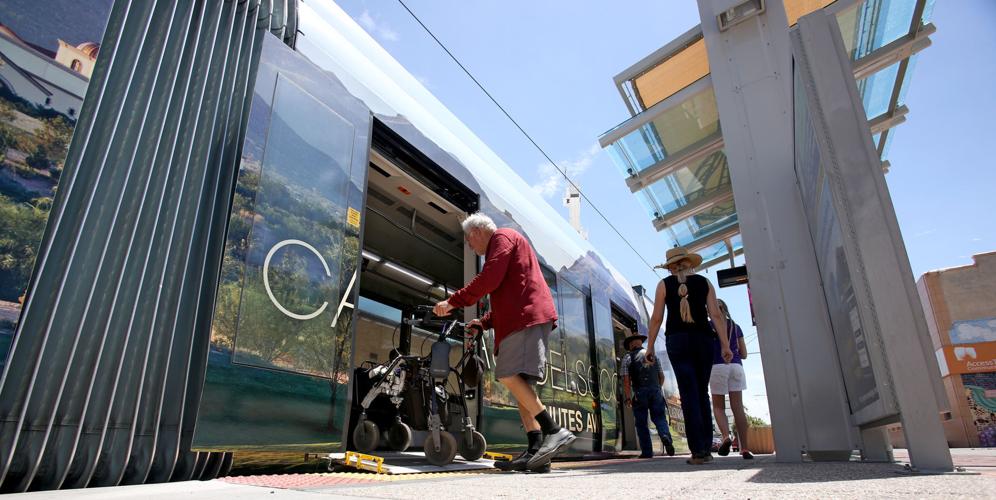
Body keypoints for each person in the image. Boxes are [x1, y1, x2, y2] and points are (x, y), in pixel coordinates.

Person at [434, 213, 575, 472]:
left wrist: (453, 301)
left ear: (476, 232)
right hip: (522, 318)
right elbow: (507, 292)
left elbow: (489, 280)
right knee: (523, 387)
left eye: (468, 240)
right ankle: (535, 453)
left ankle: (554, 430)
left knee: (508, 374)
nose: (469, 246)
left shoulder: (502, 237)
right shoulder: (507, 245)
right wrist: (485, 322)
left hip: (526, 319)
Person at [645, 246, 732, 465]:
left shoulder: (664, 285)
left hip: (677, 341)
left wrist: (651, 346)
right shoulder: (705, 283)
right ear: (689, 263)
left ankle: (698, 452)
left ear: (670, 268)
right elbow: (715, 315)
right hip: (704, 340)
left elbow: (656, 318)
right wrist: (725, 344)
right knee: (702, 392)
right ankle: (706, 447)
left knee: (688, 392)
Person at [710, 299, 753, 459]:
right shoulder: (736, 327)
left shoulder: (709, 326)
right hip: (736, 366)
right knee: (738, 408)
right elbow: (744, 354)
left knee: (718, 407)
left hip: (718, 366)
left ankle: (726, 437)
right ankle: (745, 448)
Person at [621, 333, 675, 458]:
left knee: (641, 423)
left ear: (631, 344)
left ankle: (647, 452)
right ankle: (665, 436)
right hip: (656, 390)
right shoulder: (653, 356)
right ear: (640, 343)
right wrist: (656, 388)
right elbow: (662, 377)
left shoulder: (628, 358)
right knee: (660, 418)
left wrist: (628, 397)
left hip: (640, 392)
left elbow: (626, 380)